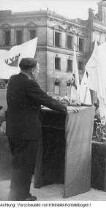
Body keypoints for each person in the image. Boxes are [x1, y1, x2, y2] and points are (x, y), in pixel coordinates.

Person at [6, 58, 68, 201]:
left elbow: (29, 100)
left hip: (14, 131)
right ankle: (21, 198)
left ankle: (16, 195)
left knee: (17, 165)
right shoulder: (29, 83)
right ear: (32, 70)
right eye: (38, 69)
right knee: (26, 166)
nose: (39, 71)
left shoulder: (13, 80)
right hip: (27, 133)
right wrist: (64, 108)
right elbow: (45, 99)